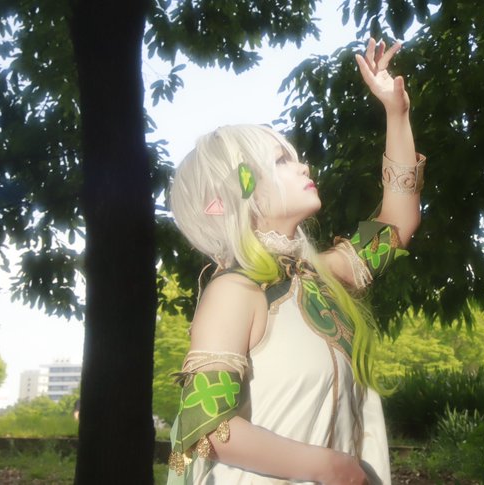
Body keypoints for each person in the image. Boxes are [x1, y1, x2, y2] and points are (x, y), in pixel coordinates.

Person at [166, 38, 425, 485]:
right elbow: (205, 428)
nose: (304, 167)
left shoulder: (320, 277)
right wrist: (330, 466)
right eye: (281, 161)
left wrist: (396, 113)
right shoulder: (234, 291)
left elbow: (397, 225)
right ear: (234, 194)